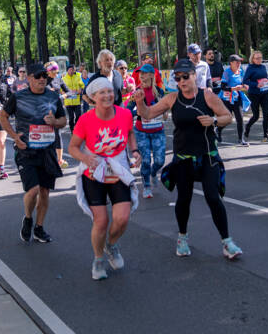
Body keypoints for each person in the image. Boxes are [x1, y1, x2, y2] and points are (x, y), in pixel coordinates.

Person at [133, 59, 242, 261]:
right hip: (183, 159)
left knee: (213, 197)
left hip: (207, 156)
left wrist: (214, 121)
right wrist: (140, 102)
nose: (182, 81)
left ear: (194, 75)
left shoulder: (207, 96)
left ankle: (227, 242)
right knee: (184, 199)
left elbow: (228, 116)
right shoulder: (172, 99)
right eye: (178, 78)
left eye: (185, 76)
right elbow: (148, 114)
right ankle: (182, 238)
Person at [69, 76, 140, 280]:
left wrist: (134, 151)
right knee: (101, 221)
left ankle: (111, 245)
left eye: (109, 91)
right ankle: (98, 259)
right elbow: (73, 147)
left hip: (118, 170)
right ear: (93, 97)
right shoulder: (85, 120)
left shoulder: (125, 114)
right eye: (102, 93)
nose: (108, 95)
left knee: (122, 218)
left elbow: (130, 133)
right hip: (94, 173)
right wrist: (85, 157)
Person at [0, 64, 67, 245]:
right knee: (33, 190)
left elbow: (63, 120)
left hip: (48, 151)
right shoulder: (18, 97)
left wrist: (55, 121)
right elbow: (3, 116)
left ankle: (39, 227)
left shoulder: (53, 96)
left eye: (44, 75)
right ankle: (28, 217)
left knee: (45, 191)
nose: (42, 79)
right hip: (26, 151)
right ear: (29, 78)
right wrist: (14, 136)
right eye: (37, 76)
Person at [131, 64, 166, 198]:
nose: (142, 76)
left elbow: (165, 109)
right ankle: (146, 186)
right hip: (142, 131)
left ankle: (153, 172)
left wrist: (164, 114)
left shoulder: (159, 91)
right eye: (141, 73)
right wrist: (136, 112)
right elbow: (129, 109)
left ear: (152, 75)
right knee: (145, 160)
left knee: (159, 160)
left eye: (145, 73)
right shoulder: (137, 93)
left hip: (158, 130)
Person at [243, 50, 268, 142]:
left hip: (264, 93)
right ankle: (247, 127)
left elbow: (265, 79)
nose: (259, 60)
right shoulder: (250, 68)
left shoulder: (263, 67)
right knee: (256, 116)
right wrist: (256, 84)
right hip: (254, 94)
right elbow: (245, 81)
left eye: (260, 58)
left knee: (266, 114)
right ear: (252, 59)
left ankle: (266, 135)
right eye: (257, 58)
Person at [218, 55, 248, 145]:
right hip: (227, 98)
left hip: (237, 98)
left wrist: (244, 86)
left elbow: (242, 83)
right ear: (231, 63)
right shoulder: (227, 72)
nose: (239, 63)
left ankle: (241, 139)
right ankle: (218, 130)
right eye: (237, 62)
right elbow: (223, 86)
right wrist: (233, 88)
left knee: (240, 118)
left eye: (240, 62)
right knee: (228, 119)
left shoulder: (241, 71)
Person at [45, 61, 70, 169]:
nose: (55, 73)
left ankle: (59, 159)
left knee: (57, 135)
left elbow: (68, 92)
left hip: (57, 110)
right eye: (53, 71)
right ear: (48, 71)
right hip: (45, 111)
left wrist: (63, 96)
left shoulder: (58, 78)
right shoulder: (43, 80)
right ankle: (47, 159)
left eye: (56, 71)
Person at [62, 64, 85, 133]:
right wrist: (63, 93)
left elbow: (82, 85)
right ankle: (72, 129)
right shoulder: (64, 79)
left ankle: (76, 127)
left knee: (78, 115)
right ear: (67, 70)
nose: (72, 71)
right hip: (68, 101)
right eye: (70, 70)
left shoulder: (77, 77)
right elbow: (60, 89)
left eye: (73, 70)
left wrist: (80, 89)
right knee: (71, 117)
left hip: (76, 100)